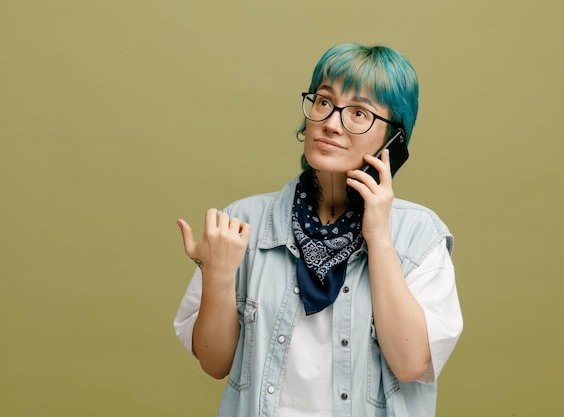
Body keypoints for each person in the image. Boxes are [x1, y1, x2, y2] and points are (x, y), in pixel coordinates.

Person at [174, 43, 463, 417]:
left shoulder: (421, 236)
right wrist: (219, 273)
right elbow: (215, 364)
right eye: (324, 101)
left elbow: (410, 363)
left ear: (395, 141)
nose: (330, 122)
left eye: (359, 112)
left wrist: (378, 237)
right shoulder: (242, 222)